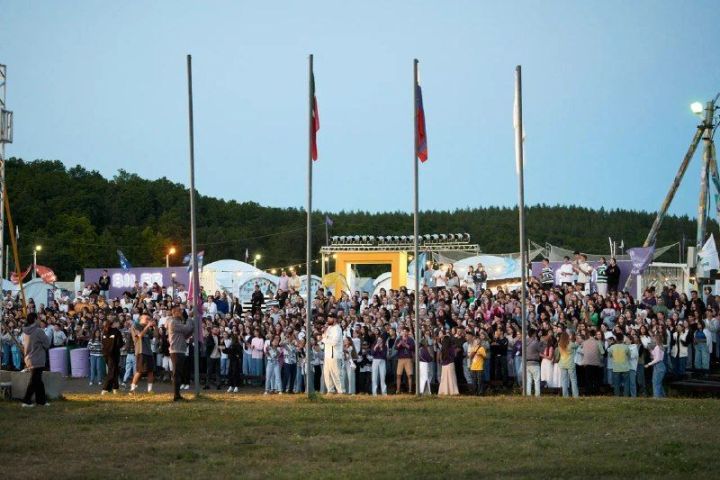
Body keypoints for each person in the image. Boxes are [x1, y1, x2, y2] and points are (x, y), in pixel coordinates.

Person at [21, 313, 50, 407]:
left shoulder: (25, 332)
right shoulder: (39, 331)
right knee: (34, 380)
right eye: (38, 318)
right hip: (38, 358)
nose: (39, 320)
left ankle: (41, 401)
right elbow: (47, 343)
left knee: (38, 380)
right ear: (34, 319)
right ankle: (26, 400)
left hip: (29, 358)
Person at [167, 307, 194, 401]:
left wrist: (192, 329)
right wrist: (190, 318)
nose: (182, 312)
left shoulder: (177, 322)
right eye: (179, 311)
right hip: (176, 350)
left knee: (178, 373)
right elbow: (187, 328)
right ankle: (176, 396)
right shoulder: (173, 322)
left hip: (179, 350)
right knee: (177, 374)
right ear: (174, 312)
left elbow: (185, 334)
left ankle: (177, 395)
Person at [129, 314, 157, 394]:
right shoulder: (135, 326)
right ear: (140, 319)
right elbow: (139, 336)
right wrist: (148, 326)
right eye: (146, 318)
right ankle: (132, 389)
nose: (148, 320)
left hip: (149, 352)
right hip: (140, 351)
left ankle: (150, 390)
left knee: (151, 371)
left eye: (149, 319)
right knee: (139, 371)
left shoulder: (147, 328)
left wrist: (155, 327)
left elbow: (155, 335)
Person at [321, 314, 344, 394]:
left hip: (335, 355)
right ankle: (330, 390)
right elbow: (324, 336)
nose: (328, 320)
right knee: (327, 374)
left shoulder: (338, 329)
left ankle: (341, 391)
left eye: (329, 319)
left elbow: (334, 342)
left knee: (336, 374)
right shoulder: (329, 328)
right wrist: (324, 332)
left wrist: (324, 340)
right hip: (327, 354)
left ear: (334, 319)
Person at [100, 317, 123, 395]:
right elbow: (120, 344)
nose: (119, 324)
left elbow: (103, 343)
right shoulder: (117, 332)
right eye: (118, 322)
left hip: (105, 354)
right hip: (113, 354)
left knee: (115, 370)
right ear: (114, 323)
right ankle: (105, 388)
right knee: (112, 371)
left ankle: (115, 388)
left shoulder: (104, 332)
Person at [608, 332, 631, 397]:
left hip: (616, 368)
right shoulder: (626, 347)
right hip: (625, 367)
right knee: (626, 383)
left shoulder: (612, 347)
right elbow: (629, 356)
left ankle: (617, 396)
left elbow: (609, 355)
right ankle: (626, 396)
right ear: (623, 339)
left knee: (616, 383)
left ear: (616, 339)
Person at [557, 332, 578, 398]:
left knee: (564, 380)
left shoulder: (559, 344)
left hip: (562, 364)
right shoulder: (571, 344)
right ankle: (575, 395)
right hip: (570, 364)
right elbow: (577, 345)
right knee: (573, 380)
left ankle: (565, 395)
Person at [394, 326, 415, 394]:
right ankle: (398, 390)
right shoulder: (399, 339)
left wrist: (405, 345)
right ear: (401, 332)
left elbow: (412, 348)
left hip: (408, 358)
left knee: (409, 375)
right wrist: (400, 343)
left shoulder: (411, 339)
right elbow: (395, 348)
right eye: (403, 331)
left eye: (406, 331)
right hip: (400, 359)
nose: (404, 332)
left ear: (408, 332)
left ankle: (410, 390)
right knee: (398, 375)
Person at [525, 328, 542, 396]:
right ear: (533, 334)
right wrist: (541, 342)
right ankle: (537, 395)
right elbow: (541, 350)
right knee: (536, 380)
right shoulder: (535, 342)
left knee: (529, 381)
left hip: (527, 363)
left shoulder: (525, 342)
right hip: (535, 363)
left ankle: (528, 394)